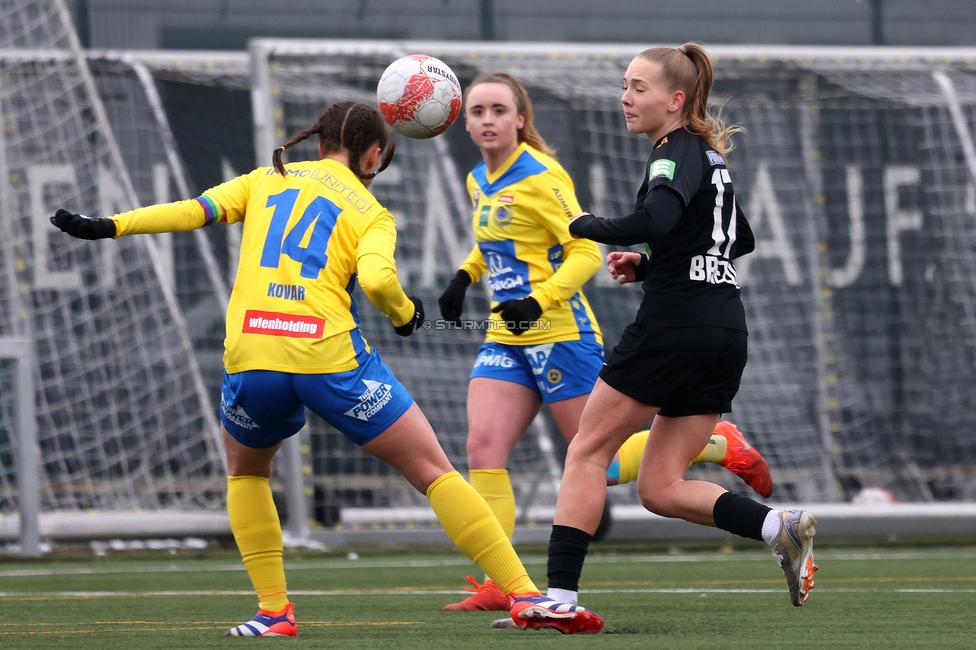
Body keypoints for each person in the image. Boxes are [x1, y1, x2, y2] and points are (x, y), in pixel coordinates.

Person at [50, 100, 602, 636]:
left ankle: (273, 613)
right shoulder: (370, 211)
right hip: (327, 358)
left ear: (319, 142)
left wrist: (109, 226)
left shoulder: (266, 178)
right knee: (434, 472)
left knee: (246, 474)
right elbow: (382, 283)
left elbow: (192, 210)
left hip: (253, 355)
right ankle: (527, 593)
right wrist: (406, 315)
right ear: (372, 158)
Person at [438, 72, 774, 614]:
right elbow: (498, 243)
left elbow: (583, 251)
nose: (486, 120)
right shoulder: (480, 178)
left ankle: (714, 443)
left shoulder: (542, 175)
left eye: (498, 110)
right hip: (505, 334)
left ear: (521, 119)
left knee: (596, 458)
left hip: (559, 331)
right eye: (476, 111)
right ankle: (501, 581)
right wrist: (465, 275)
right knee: (483, 448)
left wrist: (539, 300)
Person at [541, 43, 818, 616]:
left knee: (587, 453)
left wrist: (588, 226)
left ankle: (560, 600)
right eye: (625, 85)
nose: (625, 97)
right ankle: (776, 526)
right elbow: (737, 238)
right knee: (660, 488)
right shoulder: (710, 159)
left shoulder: (673, 151)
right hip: (724, 330)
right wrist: (648, 261)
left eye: (638, 87)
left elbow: (657, 218)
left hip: (676, 324)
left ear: (675, 100)